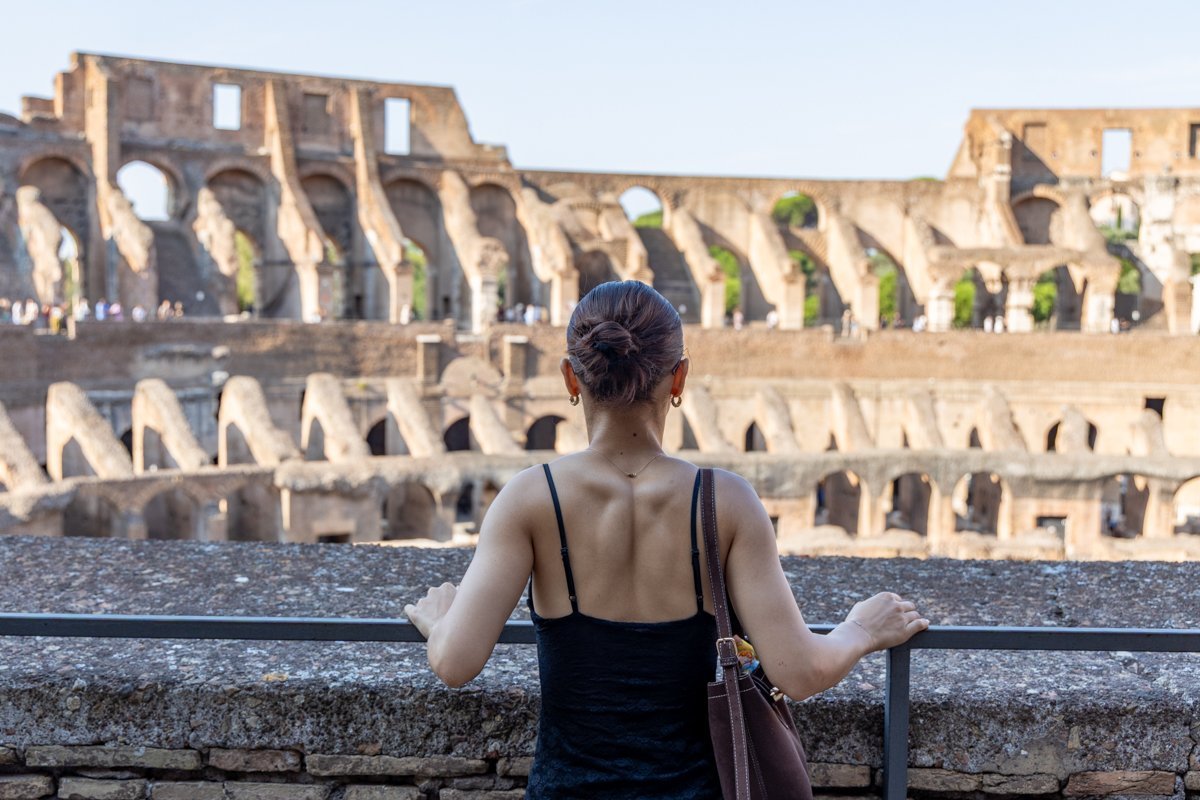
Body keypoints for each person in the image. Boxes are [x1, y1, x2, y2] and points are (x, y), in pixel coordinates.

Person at [405, 280, 928, 798]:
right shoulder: (726, 501)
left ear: (571, 377)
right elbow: (801, 673)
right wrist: (861, 628)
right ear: (679, 378)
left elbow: (455, 663)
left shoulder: (529, 498)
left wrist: (441, 622)